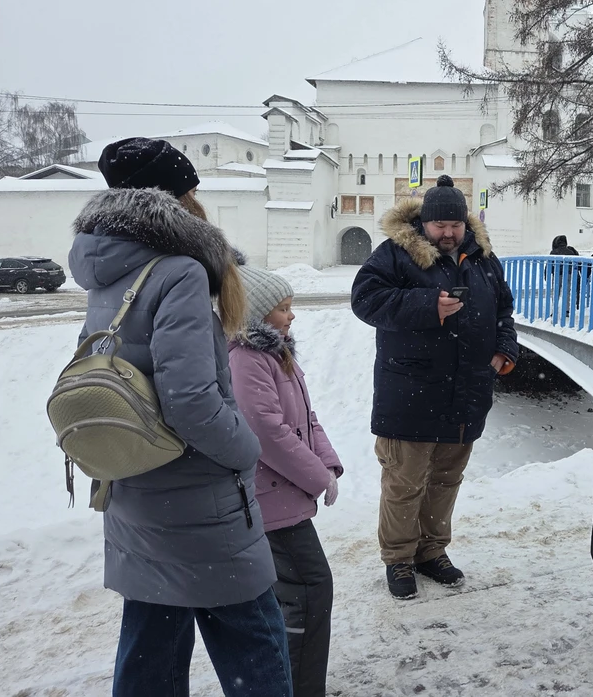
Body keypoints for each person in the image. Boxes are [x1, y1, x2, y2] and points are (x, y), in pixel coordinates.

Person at [68, 138, 290, 697]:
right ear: (177, 200)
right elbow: (191, 400)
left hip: (135, 488)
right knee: (255, 646)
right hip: (201, 504)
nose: (201, 202)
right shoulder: (180, 271)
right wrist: (246, 451)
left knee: (151, 654)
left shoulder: (109, 268)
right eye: (193, 190)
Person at [351, 175, 519, 600]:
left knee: (446, 479)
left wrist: (504, 347)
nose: (448, 233)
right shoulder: (395, 254)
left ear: (466, 224)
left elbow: (504, 309)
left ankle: (431, 551)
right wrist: (428, 305)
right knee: (405, 482)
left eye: (455, 225)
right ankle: (399, 558)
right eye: (439, 226)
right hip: (409, 388)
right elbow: (365, 300)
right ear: (424, 223)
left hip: (466, 390)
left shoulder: (483, 258)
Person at [229, 264, 344, 697]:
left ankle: (288, 682)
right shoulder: (247, 358)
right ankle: (299, 688)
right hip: (271, 498)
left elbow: (305, 419)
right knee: (310, 591)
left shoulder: (277, 353)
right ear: (257, 314)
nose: (291, 315)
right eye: (282, 308)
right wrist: (316, 477)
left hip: (283, 495)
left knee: (295, 595)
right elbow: (266, 429)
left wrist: (327, 463)